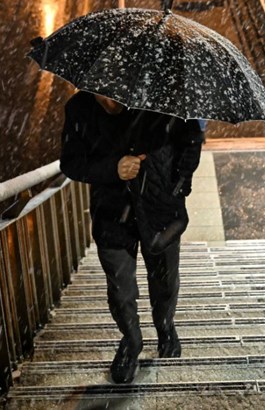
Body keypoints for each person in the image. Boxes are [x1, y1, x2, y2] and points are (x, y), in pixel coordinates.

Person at [59, 91, 204, 383]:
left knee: (164, 281)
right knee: (120, 290)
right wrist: (113, 168)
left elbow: (191, 140)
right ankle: (131, 341)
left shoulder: (163, 98)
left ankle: (165, 327)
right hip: (112, 214)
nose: (107, 99)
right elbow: (71, 163)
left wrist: (179, 184)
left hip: (160, 208)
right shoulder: (79, 108)